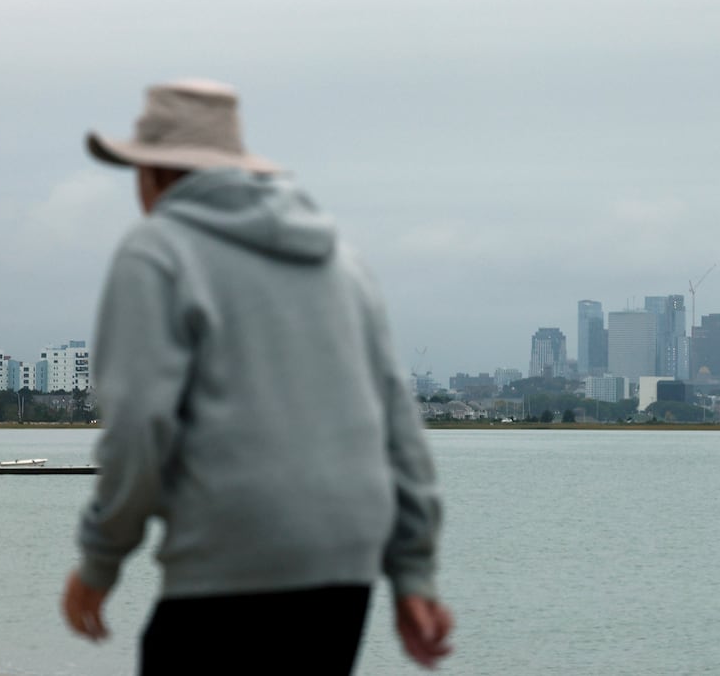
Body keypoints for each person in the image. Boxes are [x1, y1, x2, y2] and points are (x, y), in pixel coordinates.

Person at [61, 79, 451, 673]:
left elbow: (138, 425)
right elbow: (400, 427)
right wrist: (413, 575)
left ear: (157, 174)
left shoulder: (157, 251)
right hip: (343, 569)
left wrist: (100, 561)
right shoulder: (340, 260)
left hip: (225, 566)